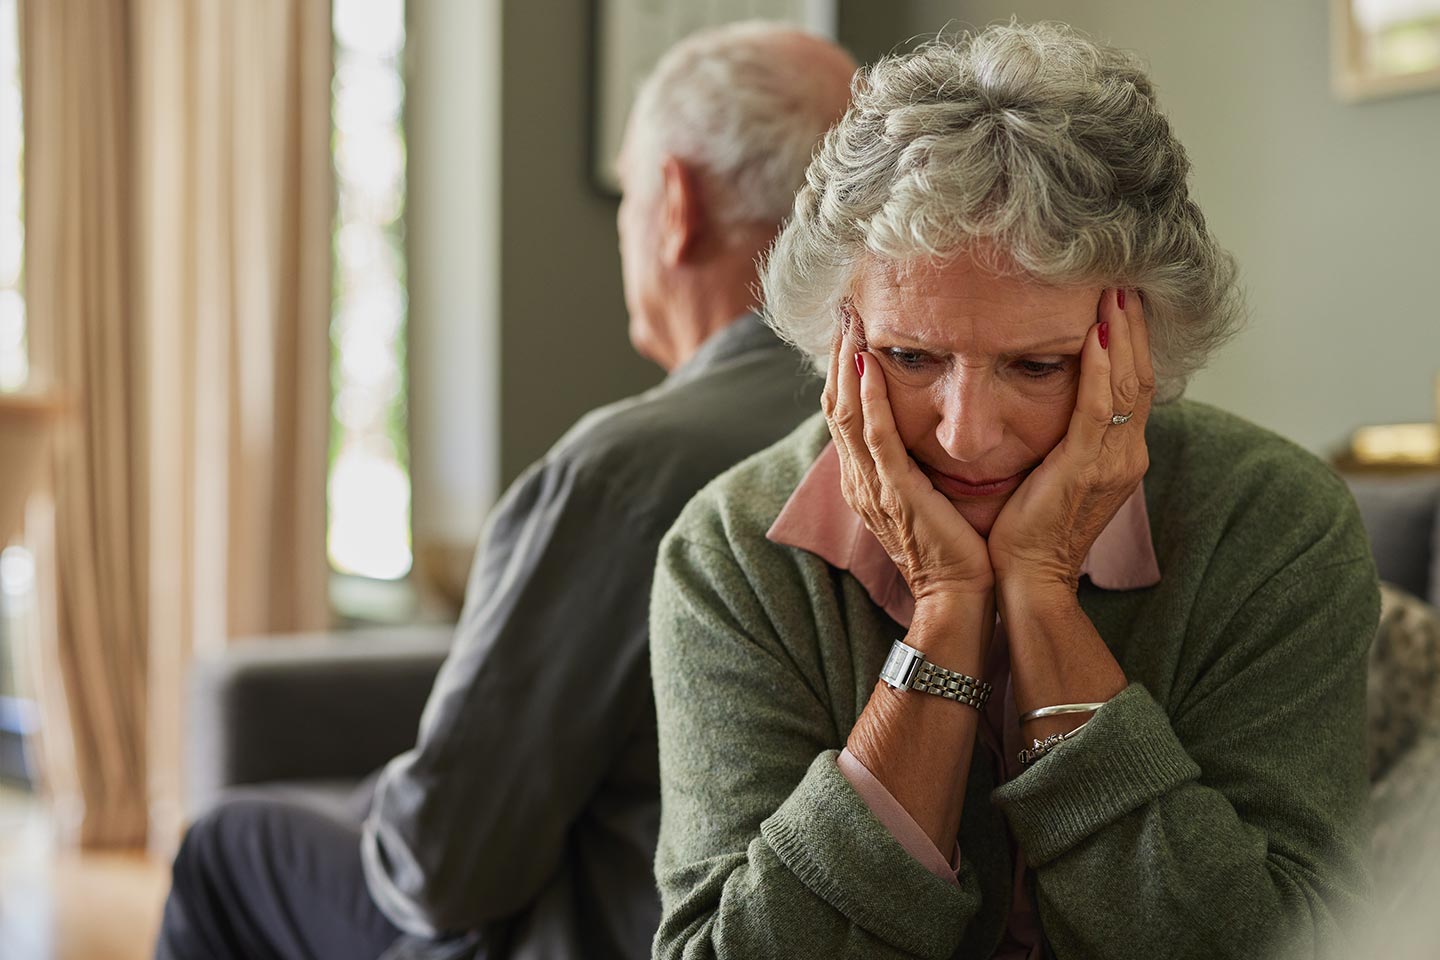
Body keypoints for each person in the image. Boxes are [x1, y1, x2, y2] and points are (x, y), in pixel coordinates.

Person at [649, 21, 1378, 960]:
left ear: (1144, 339)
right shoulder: (734, 550)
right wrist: (948, 613)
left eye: (1037, 365)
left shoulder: (1276, 525)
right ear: (841, 338)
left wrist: (1039, 595)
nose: (967, 432)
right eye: (911, 357)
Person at [155, 21, 856, 960]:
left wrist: (388, 808)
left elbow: (445, 863)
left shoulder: (625, 474)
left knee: (225, 844)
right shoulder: (941, 427)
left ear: (676, 204)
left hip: (609, 934)